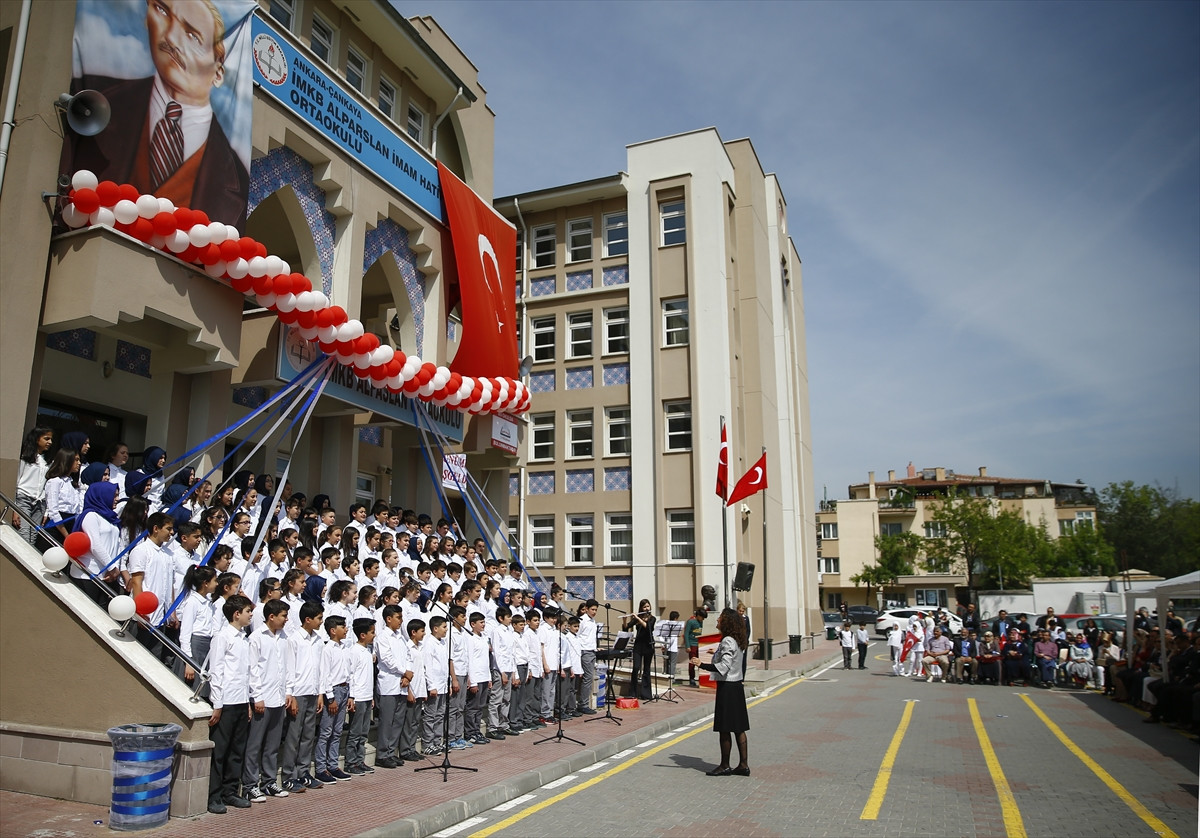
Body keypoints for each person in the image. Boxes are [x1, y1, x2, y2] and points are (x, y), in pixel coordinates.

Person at [63, 0, 248, 227]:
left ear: (218, 72)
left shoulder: (236, 175)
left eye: (193, 36)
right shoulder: (90, 101)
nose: (171, 38)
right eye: (162, 11)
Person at [207, 594, 253, 814]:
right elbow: (216, 670)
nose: (251, 615)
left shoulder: (244, 638)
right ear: (236, 614)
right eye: (248, 611)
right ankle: (214, 795)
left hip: (241, 700)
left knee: (237, 749)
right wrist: (217, 703)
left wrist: (248, 701)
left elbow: (247, 672)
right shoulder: (222, 637)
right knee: (220, 750)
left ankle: (230, 791)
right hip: (226, 702)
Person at [690, 608, 750, 777]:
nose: (717, 621)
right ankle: (743, 765)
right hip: (736, 686)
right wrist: (715, 652)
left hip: (727, 688)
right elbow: (729, 657)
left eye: (720, 618)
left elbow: (724, 667)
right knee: (738, 728)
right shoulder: (737, 639)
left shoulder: (727, 640)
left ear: (727, 622)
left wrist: (701, 664)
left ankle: (725, 765)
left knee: (725, 728)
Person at [242, 599, 290, 801]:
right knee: (255, 745)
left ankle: (269, 782)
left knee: (272, 744)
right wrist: (257, 696)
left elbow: (287, 666)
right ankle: (250, 785)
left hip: (279, 698)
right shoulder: (256, 638)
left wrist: (288, 692)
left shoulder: (284, 637)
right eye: (283, 616)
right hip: (263, 699)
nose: (286, 620)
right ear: (271, 616)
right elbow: (252, 669)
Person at [281, 600, 325, 792]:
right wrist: (290, 694)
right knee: (294, 736)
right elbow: (290, 668)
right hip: (298, 693)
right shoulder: (294, 639)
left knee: (308, 735)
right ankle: (288, 775)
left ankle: (304, 772)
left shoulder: (318, 640)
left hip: (312, 692)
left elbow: (321, 668)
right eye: (319, 618)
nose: (321, 622)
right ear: (308, 619)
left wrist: (320, 693)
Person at [314, 615, 351, 784]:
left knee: (337, 731)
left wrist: (350, 694)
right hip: (334, 691)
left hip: (344, 688)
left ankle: (333, 764)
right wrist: (330, 697)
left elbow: (348, 671)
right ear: (333, 630)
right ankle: (321, 768)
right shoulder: (327, 649)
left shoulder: (344, 647)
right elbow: (325, 674)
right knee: (326, 731)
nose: (346, 629)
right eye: (342, 627)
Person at [374, 604, 412, 768]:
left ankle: (391, 751)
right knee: (387, 721)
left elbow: (408, 656)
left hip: (402, 683)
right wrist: (404, 671)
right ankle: (382, 754)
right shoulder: (383, 637)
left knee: (398, 720)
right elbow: (387, 659)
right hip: (389, 683)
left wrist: (407, 675)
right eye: (398, 617)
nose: (401, 621)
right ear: (388, 619)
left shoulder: (401, 637)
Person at [343, 618, 377, 775]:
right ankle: (350, 762)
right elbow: (351, 675)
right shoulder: (354, 651)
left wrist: (371, 696)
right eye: (372, 632)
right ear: (362, 635)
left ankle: (359, 760)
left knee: (363, 732)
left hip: (367, 696)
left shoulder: (367, 651)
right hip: (358, 697)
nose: (374, 635)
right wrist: (352, 697)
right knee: (355, 732)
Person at [13, 426, 53, 545]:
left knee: (33, 538)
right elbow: (16, 481)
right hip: (24, 499)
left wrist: (46, 511)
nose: (50, 442)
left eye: (51, 439)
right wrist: (15, 508)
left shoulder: (47, 461)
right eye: (46, 438)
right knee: (24, 536)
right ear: (37, 439)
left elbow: (47, 486)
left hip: (40, 503)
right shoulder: (25, 457)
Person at [625, 599, 656, 700]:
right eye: (644, 607)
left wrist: (638, 618)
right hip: (638, 646)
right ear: (641, 608)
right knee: (636, 668)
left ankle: (646, 694)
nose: (646, 608)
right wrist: (624, 620)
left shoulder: (652, 618)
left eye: (648, 606)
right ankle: (633, 693)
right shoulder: (638, 618)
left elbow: (648, 627)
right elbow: (626, 628)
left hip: (648, 645)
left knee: (646, 669)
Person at [684, 609, 705, 687]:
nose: (703, 619)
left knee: (700, 662)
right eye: (702, 617)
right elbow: (686, 633)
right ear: (698, 616)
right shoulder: (691, 622)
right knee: (692, 662)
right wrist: (687, 645)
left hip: (699, 644)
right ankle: (692, 678)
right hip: (692, 644)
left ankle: (701, 679)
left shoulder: (701, 622)